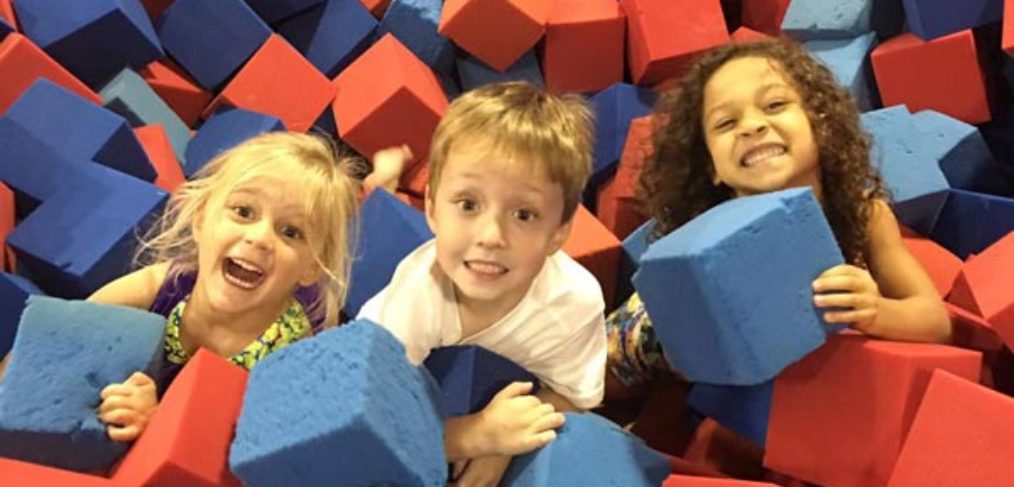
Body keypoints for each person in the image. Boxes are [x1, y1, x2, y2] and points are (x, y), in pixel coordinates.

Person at [607, 39, 952, 399]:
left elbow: (935, 321)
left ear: (819, 125)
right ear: (713, 168)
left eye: (774, 105)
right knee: (587, 387)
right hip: (644, 339)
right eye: (726, 123)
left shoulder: (864, 213)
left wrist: (875, 311)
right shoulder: (709, 239)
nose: (752, 126)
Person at [359, 81, 607, 485]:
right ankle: (382, 191)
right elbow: (363, 419)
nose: (491, 235)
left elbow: (574, 395)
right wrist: (472, 437)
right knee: (360, 253)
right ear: (433, 208)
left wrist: (504, 446)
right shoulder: (414, 295)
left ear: (559, 233)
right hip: (409, 291)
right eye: (469, 204)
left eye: (524, 214)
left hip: (455, 281)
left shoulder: (574, 302)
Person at [88, 131, 361, 442]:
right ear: (202, 218)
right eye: (244, 212)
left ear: (312, 267)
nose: (259, 237)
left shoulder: (287, 360)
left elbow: (238, 454)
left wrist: (159, 421)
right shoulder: (162, 286)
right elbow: (53, 342)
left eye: (291, 231)